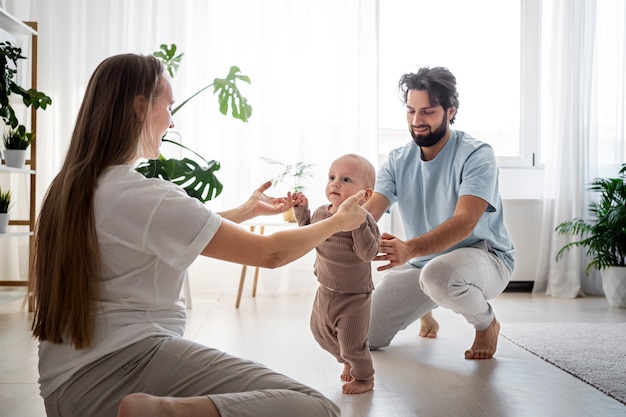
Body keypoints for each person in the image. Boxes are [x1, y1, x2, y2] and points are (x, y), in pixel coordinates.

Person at [29, 53, 368, 417]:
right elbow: (271, 254)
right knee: (317, 407)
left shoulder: (71, 189)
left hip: (68, 393)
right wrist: (338, 222)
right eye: (168, 105)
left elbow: (160, 230)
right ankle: (162, 413)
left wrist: (245, 211)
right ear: (141, 107)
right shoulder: (141, 194)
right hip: (125, 366)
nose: (172, 122)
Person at [365, 66, 514, 360]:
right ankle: (427, 306)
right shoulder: (397, 160)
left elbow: (464, 223)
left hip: (483, 257)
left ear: (450, 111)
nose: (417, 121)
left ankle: (486, 324)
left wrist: (408, 249)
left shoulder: (476, 154)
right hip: (423, 263)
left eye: (428, 112)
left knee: (439, 276)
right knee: (366, 336)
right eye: (410, 111)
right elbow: (371, 212)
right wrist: (325, 223)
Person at [292, 154, 380, 395]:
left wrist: (359, 225)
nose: (335, 184)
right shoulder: (322, 213)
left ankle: (364, 378)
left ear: (365, 194)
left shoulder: (364, 219)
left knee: (353, 343)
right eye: (332, 177)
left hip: (354, 295)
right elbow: (308, 236)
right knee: (319, 332)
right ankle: (347, 359)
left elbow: (368, 253)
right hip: (326, 288)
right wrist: (302, 212)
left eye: (346, 179)